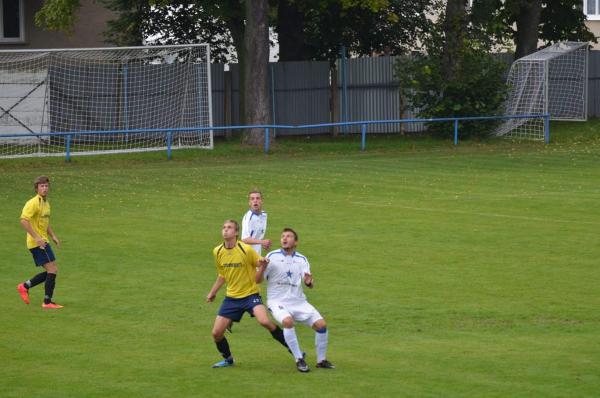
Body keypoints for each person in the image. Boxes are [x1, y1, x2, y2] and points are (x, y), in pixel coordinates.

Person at [207, 219, 289, 368]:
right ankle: (228, 359)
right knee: (216, 333)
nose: (226, 230)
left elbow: (259, 263)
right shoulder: (217, 251)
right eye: (224, 227)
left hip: (251, 295)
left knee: (265, 322)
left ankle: (293, 349)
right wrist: (213, 292)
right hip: (231, 298)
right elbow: (222, 275)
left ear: (236, 232)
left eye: (229, 228)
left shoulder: (245, 249)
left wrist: (263, 263)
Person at [256, 228, 335, 373]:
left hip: (298, 301)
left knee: (322, 326)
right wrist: (262, 267)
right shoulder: (271, 256)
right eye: (283, 236)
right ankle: (299, 359)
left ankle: (321, 360)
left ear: (296, 242)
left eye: (289, 236)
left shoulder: (302, 259)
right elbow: (257, 280)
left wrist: (309, 282)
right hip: (277, 301)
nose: (285, 238)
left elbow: (308, 282)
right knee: (287, 322)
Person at [16, 176, 64, 309]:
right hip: (37, 243)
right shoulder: (33, 203)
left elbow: (45, 223)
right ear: (36, 188)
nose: (45, 188)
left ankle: (25, 286)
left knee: (52, 271)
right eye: (42, 186)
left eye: (46, 186)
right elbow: (23, 220)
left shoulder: (46, 203)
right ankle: (47, 302)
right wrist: (36, 237)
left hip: (44, 241)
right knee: (52, 270)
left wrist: (53, 236)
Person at [241, 190, 271, 256]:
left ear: (262, 201)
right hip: (246, 256)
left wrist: (263, 244)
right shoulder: (249, 218)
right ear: (249, 203)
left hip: (257, 256)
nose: (255, 200)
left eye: (258, 198)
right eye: (252, 199)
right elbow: (245, 239)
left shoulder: (264, 215)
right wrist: (262, 242)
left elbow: (257, 235)